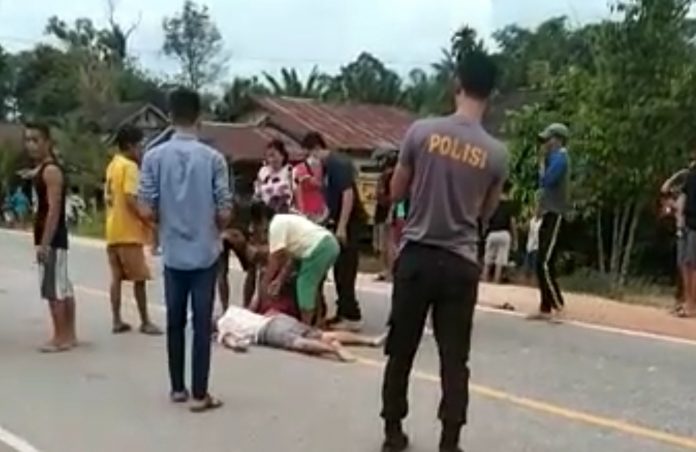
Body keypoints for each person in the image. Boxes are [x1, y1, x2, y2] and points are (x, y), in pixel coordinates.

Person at [380, 51, 507, 452]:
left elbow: (396, 192)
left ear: (457, 83)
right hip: (460, 263)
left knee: (401, 349)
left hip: (417, 256)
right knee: (454, 359)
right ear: (491, 93)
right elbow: (485, 212)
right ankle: (449, 441)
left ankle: (393, 432)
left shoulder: (421, 132)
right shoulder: (496, 153)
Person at [138, 87, 232, 412]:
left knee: (174, 321)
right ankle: (200, 394)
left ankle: (177, 388)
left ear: (170, 116)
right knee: (201, 324)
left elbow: (145, 208)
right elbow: (224, 211)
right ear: (199, 117)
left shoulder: (153, 157)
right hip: (205, 252)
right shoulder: (214, 159)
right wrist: (211, 224)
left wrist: (165, 222)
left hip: (173, 252)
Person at [25, 122, 78, 353]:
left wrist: (45, 244)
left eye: (35, 140)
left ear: (47, 142)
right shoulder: (45, 169)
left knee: (52, 289)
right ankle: (70, 335)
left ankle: (60, 337)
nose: (31, 145)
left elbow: (54, 209)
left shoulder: (50, 171)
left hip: (52, 238)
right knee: (63, 287)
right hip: (53, 238)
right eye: (27, 140)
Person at [104, 125, 162, 336]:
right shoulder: (130, 167)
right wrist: (148, 220)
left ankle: (116, 319)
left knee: (116, 278)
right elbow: (131, 198)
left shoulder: (113, 165)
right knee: (140, 279)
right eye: (140, 145)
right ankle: (145, 321)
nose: (142, 150)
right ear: (130, 146)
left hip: (113, 231)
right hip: (128, 232)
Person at [307, 131, 366, 331]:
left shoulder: (336, 163)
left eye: (310, 154)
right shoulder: (326, 168)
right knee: (339, 268)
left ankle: (351, 316)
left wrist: (342, 227)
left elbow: (347, 195)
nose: (311, 160)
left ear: (316, 149)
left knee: (345, 270)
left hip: (349, 223)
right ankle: (343, 311)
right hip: (337, 220)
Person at [251, 202, 340, 326]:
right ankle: (317, 320)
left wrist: (265, 283)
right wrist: (279, 280)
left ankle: (305, 325)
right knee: (312, 285)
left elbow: (275, 258)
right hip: (327, 244)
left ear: (262, 220)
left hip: (320, 247)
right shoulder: (285, 221)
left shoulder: (276, 225)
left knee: (304, 284)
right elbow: (292, 259)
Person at [217, 305, 385, 362]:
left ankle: (334, 349)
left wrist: (236, 345)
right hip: (277, 319)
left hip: (267, 332)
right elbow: (254, 307)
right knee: (320, 334)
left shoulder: (222, 326)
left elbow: (232, 342)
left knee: (299, 344)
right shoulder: (233, 309)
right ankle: (370, 340)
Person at [527, 123, 571, 322]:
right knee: (541, 262)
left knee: (544, 262)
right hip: (547, 212)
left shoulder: (561, 158)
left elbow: (547, 180)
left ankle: (558, 305)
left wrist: (542, 163)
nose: (545, 143)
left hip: (556, 214)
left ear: (558, 140)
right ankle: (545, 307)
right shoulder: (552, 158)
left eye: (548, 139)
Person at [483, 182, 517, 284]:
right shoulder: (510, 205)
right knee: (500, 262)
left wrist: (484, 232)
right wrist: (515, 239)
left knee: (488, 260)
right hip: (504, 234)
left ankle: (485, 279)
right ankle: (496, 281)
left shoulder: (492, 203)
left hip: (492, 233)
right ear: (509, 191)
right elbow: (512, 223)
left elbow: (486, 218)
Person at [294, 136, 328, 224]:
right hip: (306, 212)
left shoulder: (325, 167)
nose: (316, 152)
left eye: (319, 149)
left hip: (323, 211)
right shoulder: (299, 169)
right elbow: (298, 193)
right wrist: (302, 213)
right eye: (314, 149)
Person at [254, 139, 294, 210]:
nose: (271, 160)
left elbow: (293, 191)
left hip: (285, 208)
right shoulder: (263, 171)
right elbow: (258, 190)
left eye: (273, 155)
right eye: (269, 156)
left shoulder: (289, 171)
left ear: (282, 156)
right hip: (265, 208)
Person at [374, 154, 396, 282]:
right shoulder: (396, 175)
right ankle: (389, 270)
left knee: (386, 243)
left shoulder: (385, 176)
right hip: (392, 211)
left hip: (384, 212)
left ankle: (387, 270)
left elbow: (380, 194)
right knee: (390, 243)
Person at [525, 210, 542, 283]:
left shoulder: (542, 221)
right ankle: (527, 279)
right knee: (527, 263)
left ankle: (534, 279)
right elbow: (527, 229)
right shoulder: (532, 221)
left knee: (534, 263)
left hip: (537, 245)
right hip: (530, 244)